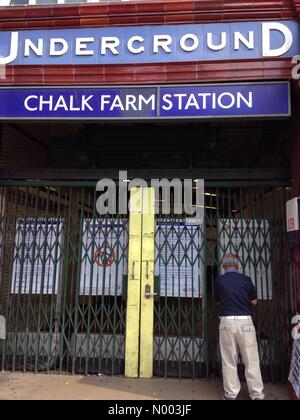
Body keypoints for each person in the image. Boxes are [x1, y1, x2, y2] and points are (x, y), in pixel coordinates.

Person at [215, 254, 265, 401]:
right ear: (237, 265)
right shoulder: (246, 280)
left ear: (223, 266)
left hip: (227, 322)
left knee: (229, 359)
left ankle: (231, 394)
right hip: (245, 322)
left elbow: (218, 301)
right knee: (251, 359)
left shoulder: (219, 281)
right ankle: (256, 394)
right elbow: (254, 301)